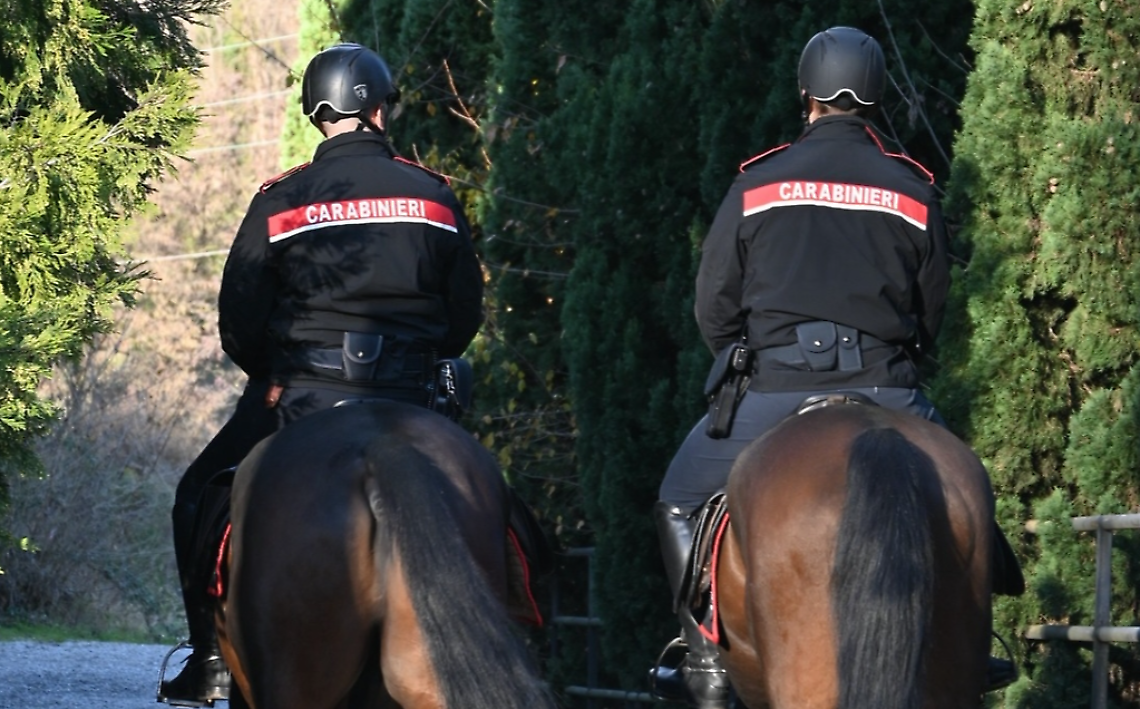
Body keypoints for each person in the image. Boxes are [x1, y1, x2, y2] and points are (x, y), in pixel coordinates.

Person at [649, 26, 1021, 708]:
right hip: (888, 386)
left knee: (677, 498)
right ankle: (975, 645)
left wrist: (742, 360)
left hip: (776, 388)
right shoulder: (913, 188)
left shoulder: (757, 183)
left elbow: (714, 307)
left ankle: (702, 656)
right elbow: (931, 309)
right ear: (875, 97)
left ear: (806, 95)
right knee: (972, 494)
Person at [159, 42, 485, 705]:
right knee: (504, 513)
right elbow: (463, 317)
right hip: (412, 397)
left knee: (199, 494)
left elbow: (239, 319)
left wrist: (272, 373)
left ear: (317, 115)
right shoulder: (435, 196)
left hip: (302, 395)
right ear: (382, 111)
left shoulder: (280, 201)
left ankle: (208, 658)